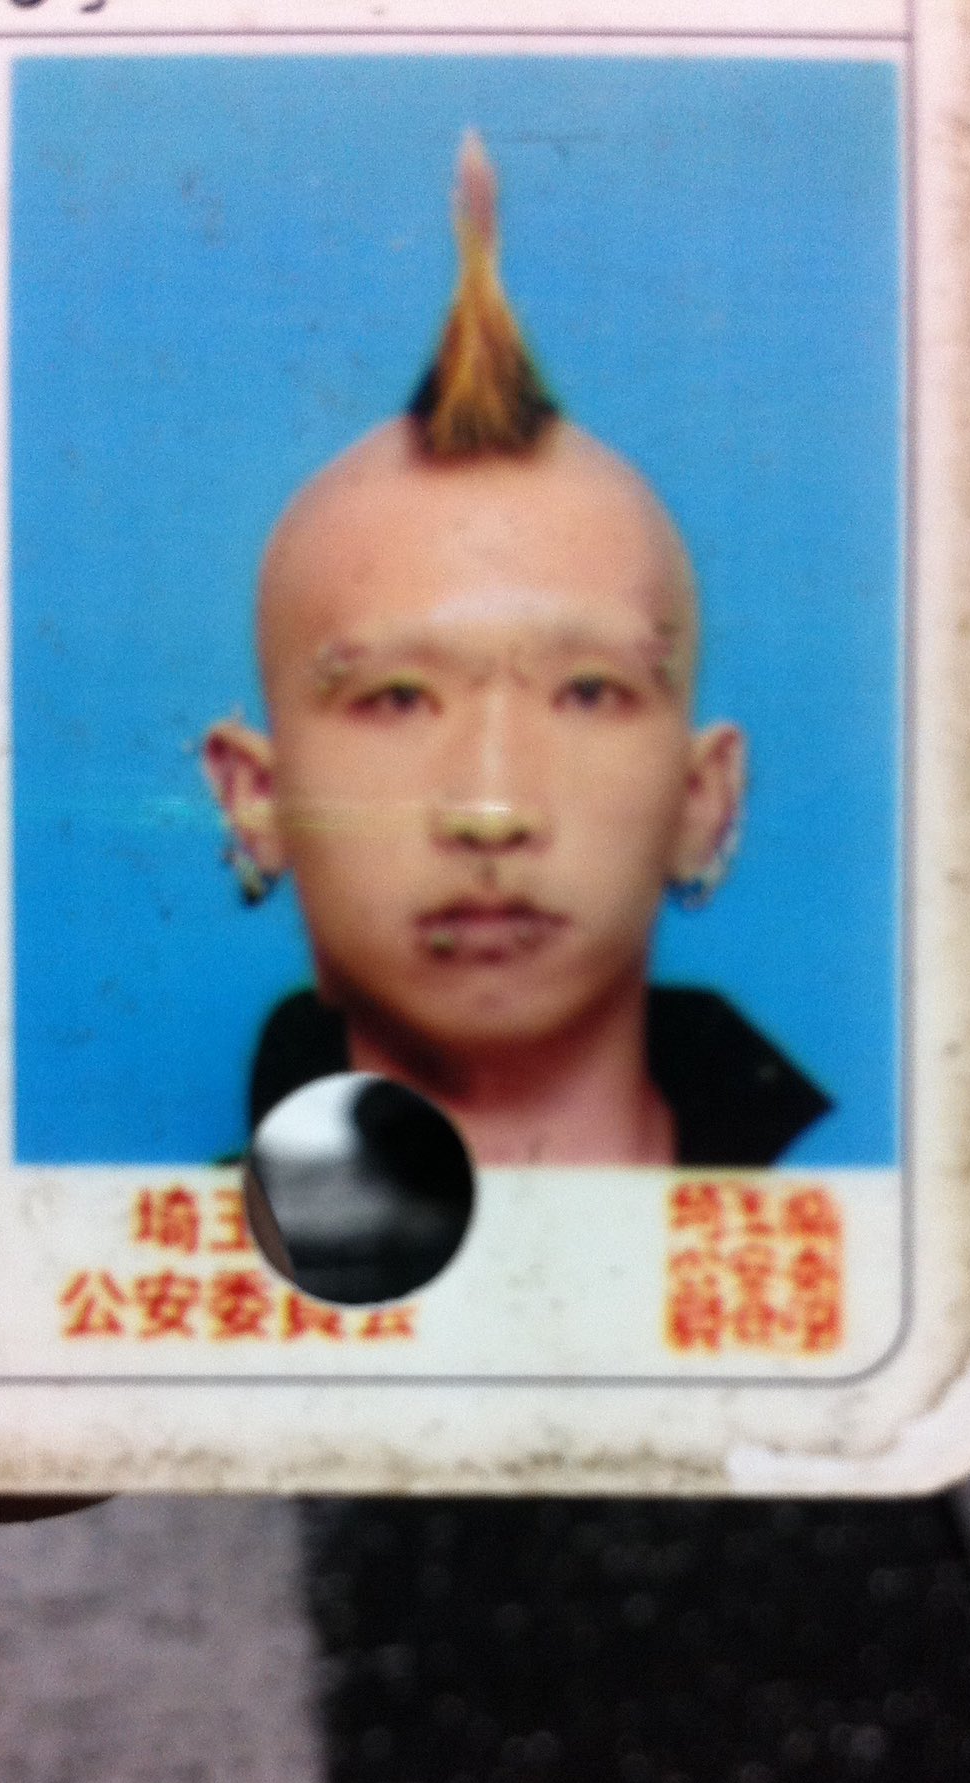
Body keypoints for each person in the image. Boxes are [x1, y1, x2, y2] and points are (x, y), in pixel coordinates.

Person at [204, 132, 829, 1168]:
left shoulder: (870, 1228)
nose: (491, 809)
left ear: (705, 798)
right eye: (396, 698)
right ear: (253, 799)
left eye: (589, 692)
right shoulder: (134, 1258)